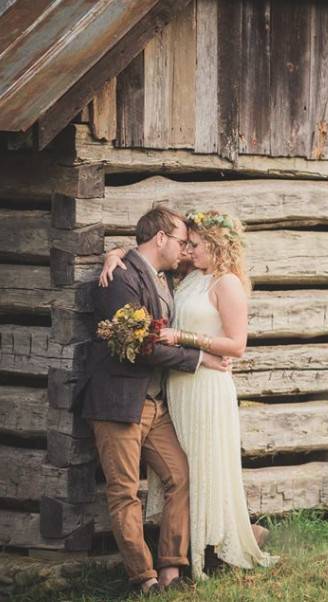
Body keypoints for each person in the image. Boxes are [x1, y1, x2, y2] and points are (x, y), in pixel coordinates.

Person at [101, 210, 277, 581]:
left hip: (202, 388)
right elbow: (143, 256)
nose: (187, 251)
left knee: (194, 472)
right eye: (186, 243)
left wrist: (188, 343)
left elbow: (237, 344)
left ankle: (197, 553)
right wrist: (113, 253)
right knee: (160, 480)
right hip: (171, 390)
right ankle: (156, 574)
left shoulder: (225, 282)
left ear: (214, 245)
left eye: (194, 245)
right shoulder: (186, 277)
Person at [77, 207, 232, 594]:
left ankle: (171, 568)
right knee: (124, 492)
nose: (184, 249)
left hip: (153, 404)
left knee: (181, 476)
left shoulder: (165, 277)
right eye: (181, 241)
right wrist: (200, 358)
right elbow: (140, 344)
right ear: (160, 238)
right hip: (117, 404)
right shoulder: (119, 279)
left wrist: (117, 248)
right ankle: (144, 578)